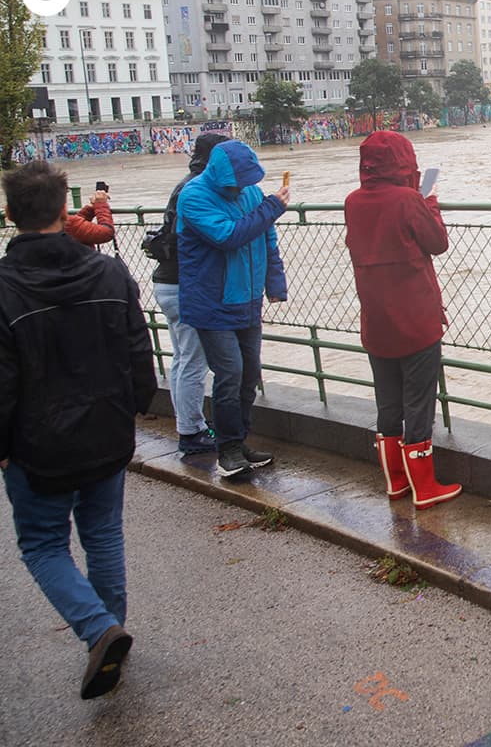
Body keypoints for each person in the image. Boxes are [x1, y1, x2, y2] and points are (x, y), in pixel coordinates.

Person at [0, 160, 156, 698]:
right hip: (106, 427)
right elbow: (138, 345)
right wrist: (139, 402)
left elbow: (2, 378)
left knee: (44, 545)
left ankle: (99, 633)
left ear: (8, 213)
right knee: (103, 533)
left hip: (35, 442)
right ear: (65, 209)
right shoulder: (109, 272)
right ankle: (107, 636)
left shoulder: (3, 286)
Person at [344, 131, 461, 509]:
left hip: (376, 318)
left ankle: (396, 482)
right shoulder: (409, 200)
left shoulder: (353, 202)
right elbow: (437, 242)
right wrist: (430, 202)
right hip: (415, 317)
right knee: (419, 401)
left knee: (388, 401)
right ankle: (425, 488)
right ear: (404, 162)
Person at [176, 140, 289, 477]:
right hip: (212, 302)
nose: (241, 188)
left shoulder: (253, 194)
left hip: (248, 300)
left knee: (249, 374)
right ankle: (227, 449)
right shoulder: (193, 196)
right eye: (236, 182)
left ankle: (239, 441)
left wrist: (274, 284)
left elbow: (267, 239)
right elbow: (228, 236)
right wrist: (272, 207)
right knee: (229, 374)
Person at [150, 133, 229, 455]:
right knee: (194, 362)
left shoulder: (186, 183)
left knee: (182, 359)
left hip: (168, 283)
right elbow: (221, 235)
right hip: (185, 286)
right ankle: (191, 432)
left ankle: (190, 425)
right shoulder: (199, 189)